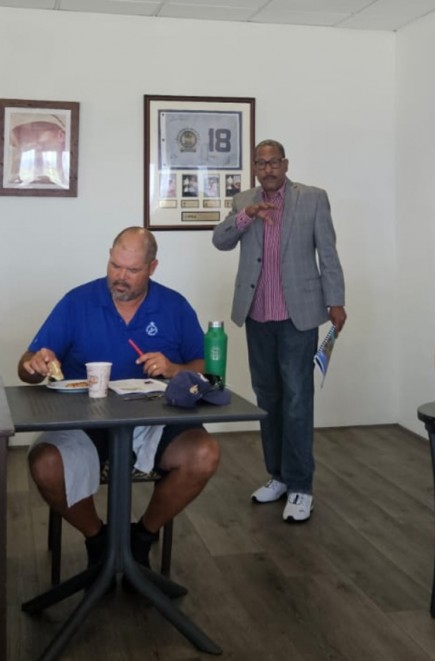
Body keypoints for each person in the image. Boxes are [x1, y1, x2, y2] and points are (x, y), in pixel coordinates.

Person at [18, 227, 220, 574]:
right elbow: (27, 366)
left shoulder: (173, 305)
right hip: (84, 419)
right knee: (45, 465)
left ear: (152, 268)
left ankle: (141, 539)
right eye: (115, 266)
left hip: (158, 419)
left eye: (132, 270)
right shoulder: (78, 301)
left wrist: (174, 368)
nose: (120, 277)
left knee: (205, 454)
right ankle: (99, 540)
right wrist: (34, 366)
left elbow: (208, 369)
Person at [212, 139, 346, 523]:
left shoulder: (312, 198)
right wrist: (246, 216)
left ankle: (302, 486)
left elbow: (328, 253)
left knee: (298, 399)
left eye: (274, 162)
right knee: (267, 398)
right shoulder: (244, 201)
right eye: (261, 163)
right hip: (257, 314)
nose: (268, 169)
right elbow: (220, 241)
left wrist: (335, 301)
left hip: (297, 316)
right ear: (254, 167)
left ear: (285, 164)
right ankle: (278, 476)